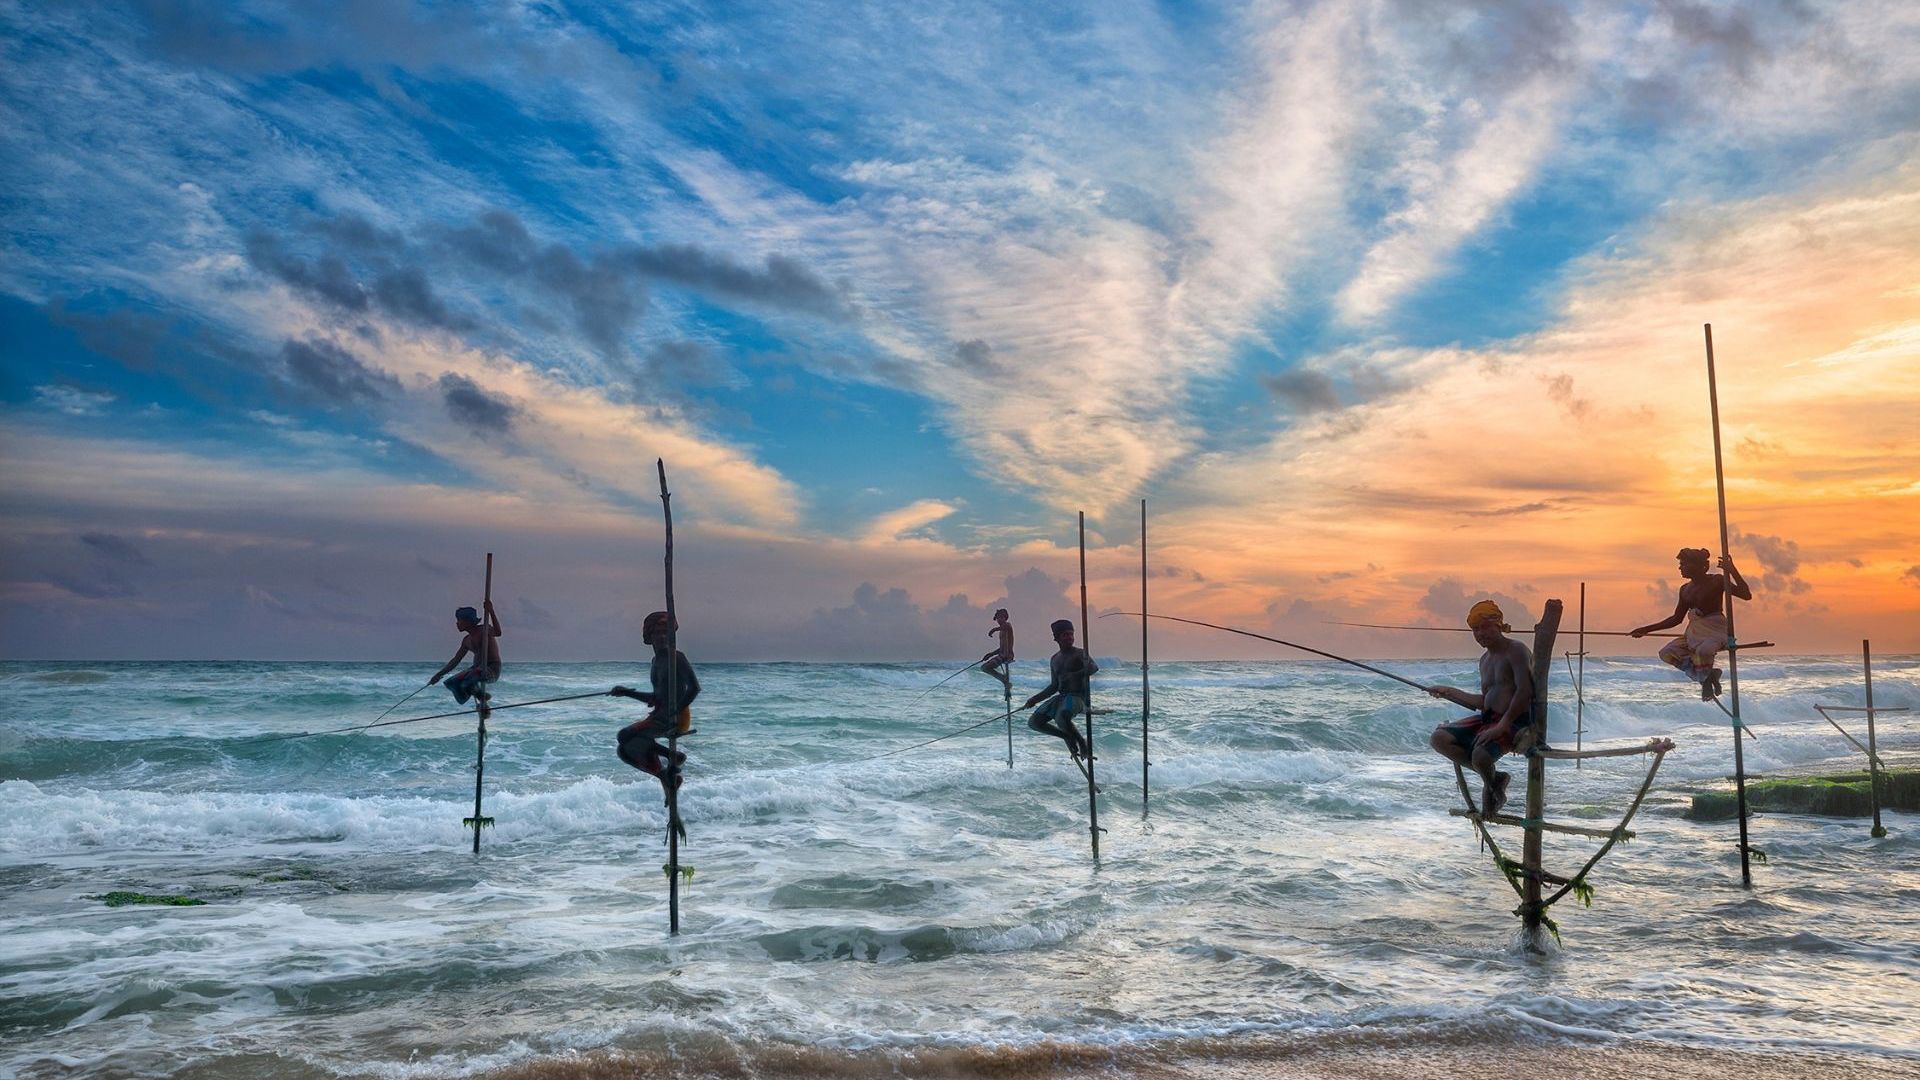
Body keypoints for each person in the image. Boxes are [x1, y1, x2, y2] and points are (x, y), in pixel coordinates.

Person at [1426, 600, 1535, 818]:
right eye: (1475, 629)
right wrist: (1449, 691)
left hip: (1515, 720)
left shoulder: (1516, 650)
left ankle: (1491, 784)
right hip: (1489, 718)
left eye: (1484, 627)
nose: (1479, 634)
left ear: (1498, 624)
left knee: (1480, 756)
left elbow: (1525, 691)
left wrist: (1501, 726)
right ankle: (1495, 780)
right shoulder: (1484, 660)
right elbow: (1485, 702)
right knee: (1439, 738)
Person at [1632, 548, 1751, 700]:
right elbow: (1676, 619)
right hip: (1694, 631)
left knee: (1703, 651)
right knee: (1666, 652)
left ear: (1698, 566)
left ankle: (1705, 679)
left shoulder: (1716, 581)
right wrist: (1646, 629)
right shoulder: (1685, 590)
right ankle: (1707, 676)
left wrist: (1732, 570)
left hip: (1715, 629)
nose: (1680, 568)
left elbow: (1746, 595)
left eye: (1684, 564)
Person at [611, 611, 701, 803]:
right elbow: (656, 697)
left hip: (676, 717)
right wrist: (626, 692)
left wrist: (676, 709)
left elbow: (694, 688)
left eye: (665, 633)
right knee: (624, 751)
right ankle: (665, 776)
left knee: (624, 735)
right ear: (649, 637)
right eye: (657, 633)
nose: (661, 637)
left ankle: (674, 756)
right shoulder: (656, 661)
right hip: (659, 715)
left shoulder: (677, 657)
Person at [1023, 619, 1097, 761]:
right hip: (1061, 697)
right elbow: (1053, 686)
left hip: (1077, 698)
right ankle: (1067, 736)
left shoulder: (1080, 653)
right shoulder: (1054, 659)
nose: (1069, 637)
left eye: (1071, 634)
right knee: (1034, 722)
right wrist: (1034, 699)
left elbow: (1094, 668)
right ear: (1056, 638)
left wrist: (1075, 674)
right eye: (1065, 635)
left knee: (1061, 717)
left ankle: (1082, 743)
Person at [430, 600, 502, 719]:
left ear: (468, 621)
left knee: (468, 679)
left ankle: (482, 699)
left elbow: (498, 632)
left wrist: (491, 611)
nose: (457, 623)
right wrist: (439, 674)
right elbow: (455, 660)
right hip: (476, 670)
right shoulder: (466, 640)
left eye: (459, 620)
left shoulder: (484, 629)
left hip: (491, 669)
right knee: (451, 683)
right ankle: (480, 698)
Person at [980, 608, 1014, 687]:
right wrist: (990, 654)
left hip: (1007, 655)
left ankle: (1004, 679)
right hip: (1002, 655)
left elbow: (1005, 627)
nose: (999, 619)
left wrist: (993, 630)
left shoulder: (1008, 626)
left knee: (986, 668)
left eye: (1001, 617)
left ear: (1005, 618)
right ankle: (1004, 680)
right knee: (984, 667)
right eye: (998, 618)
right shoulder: (1001, 631)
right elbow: (1002, 648)